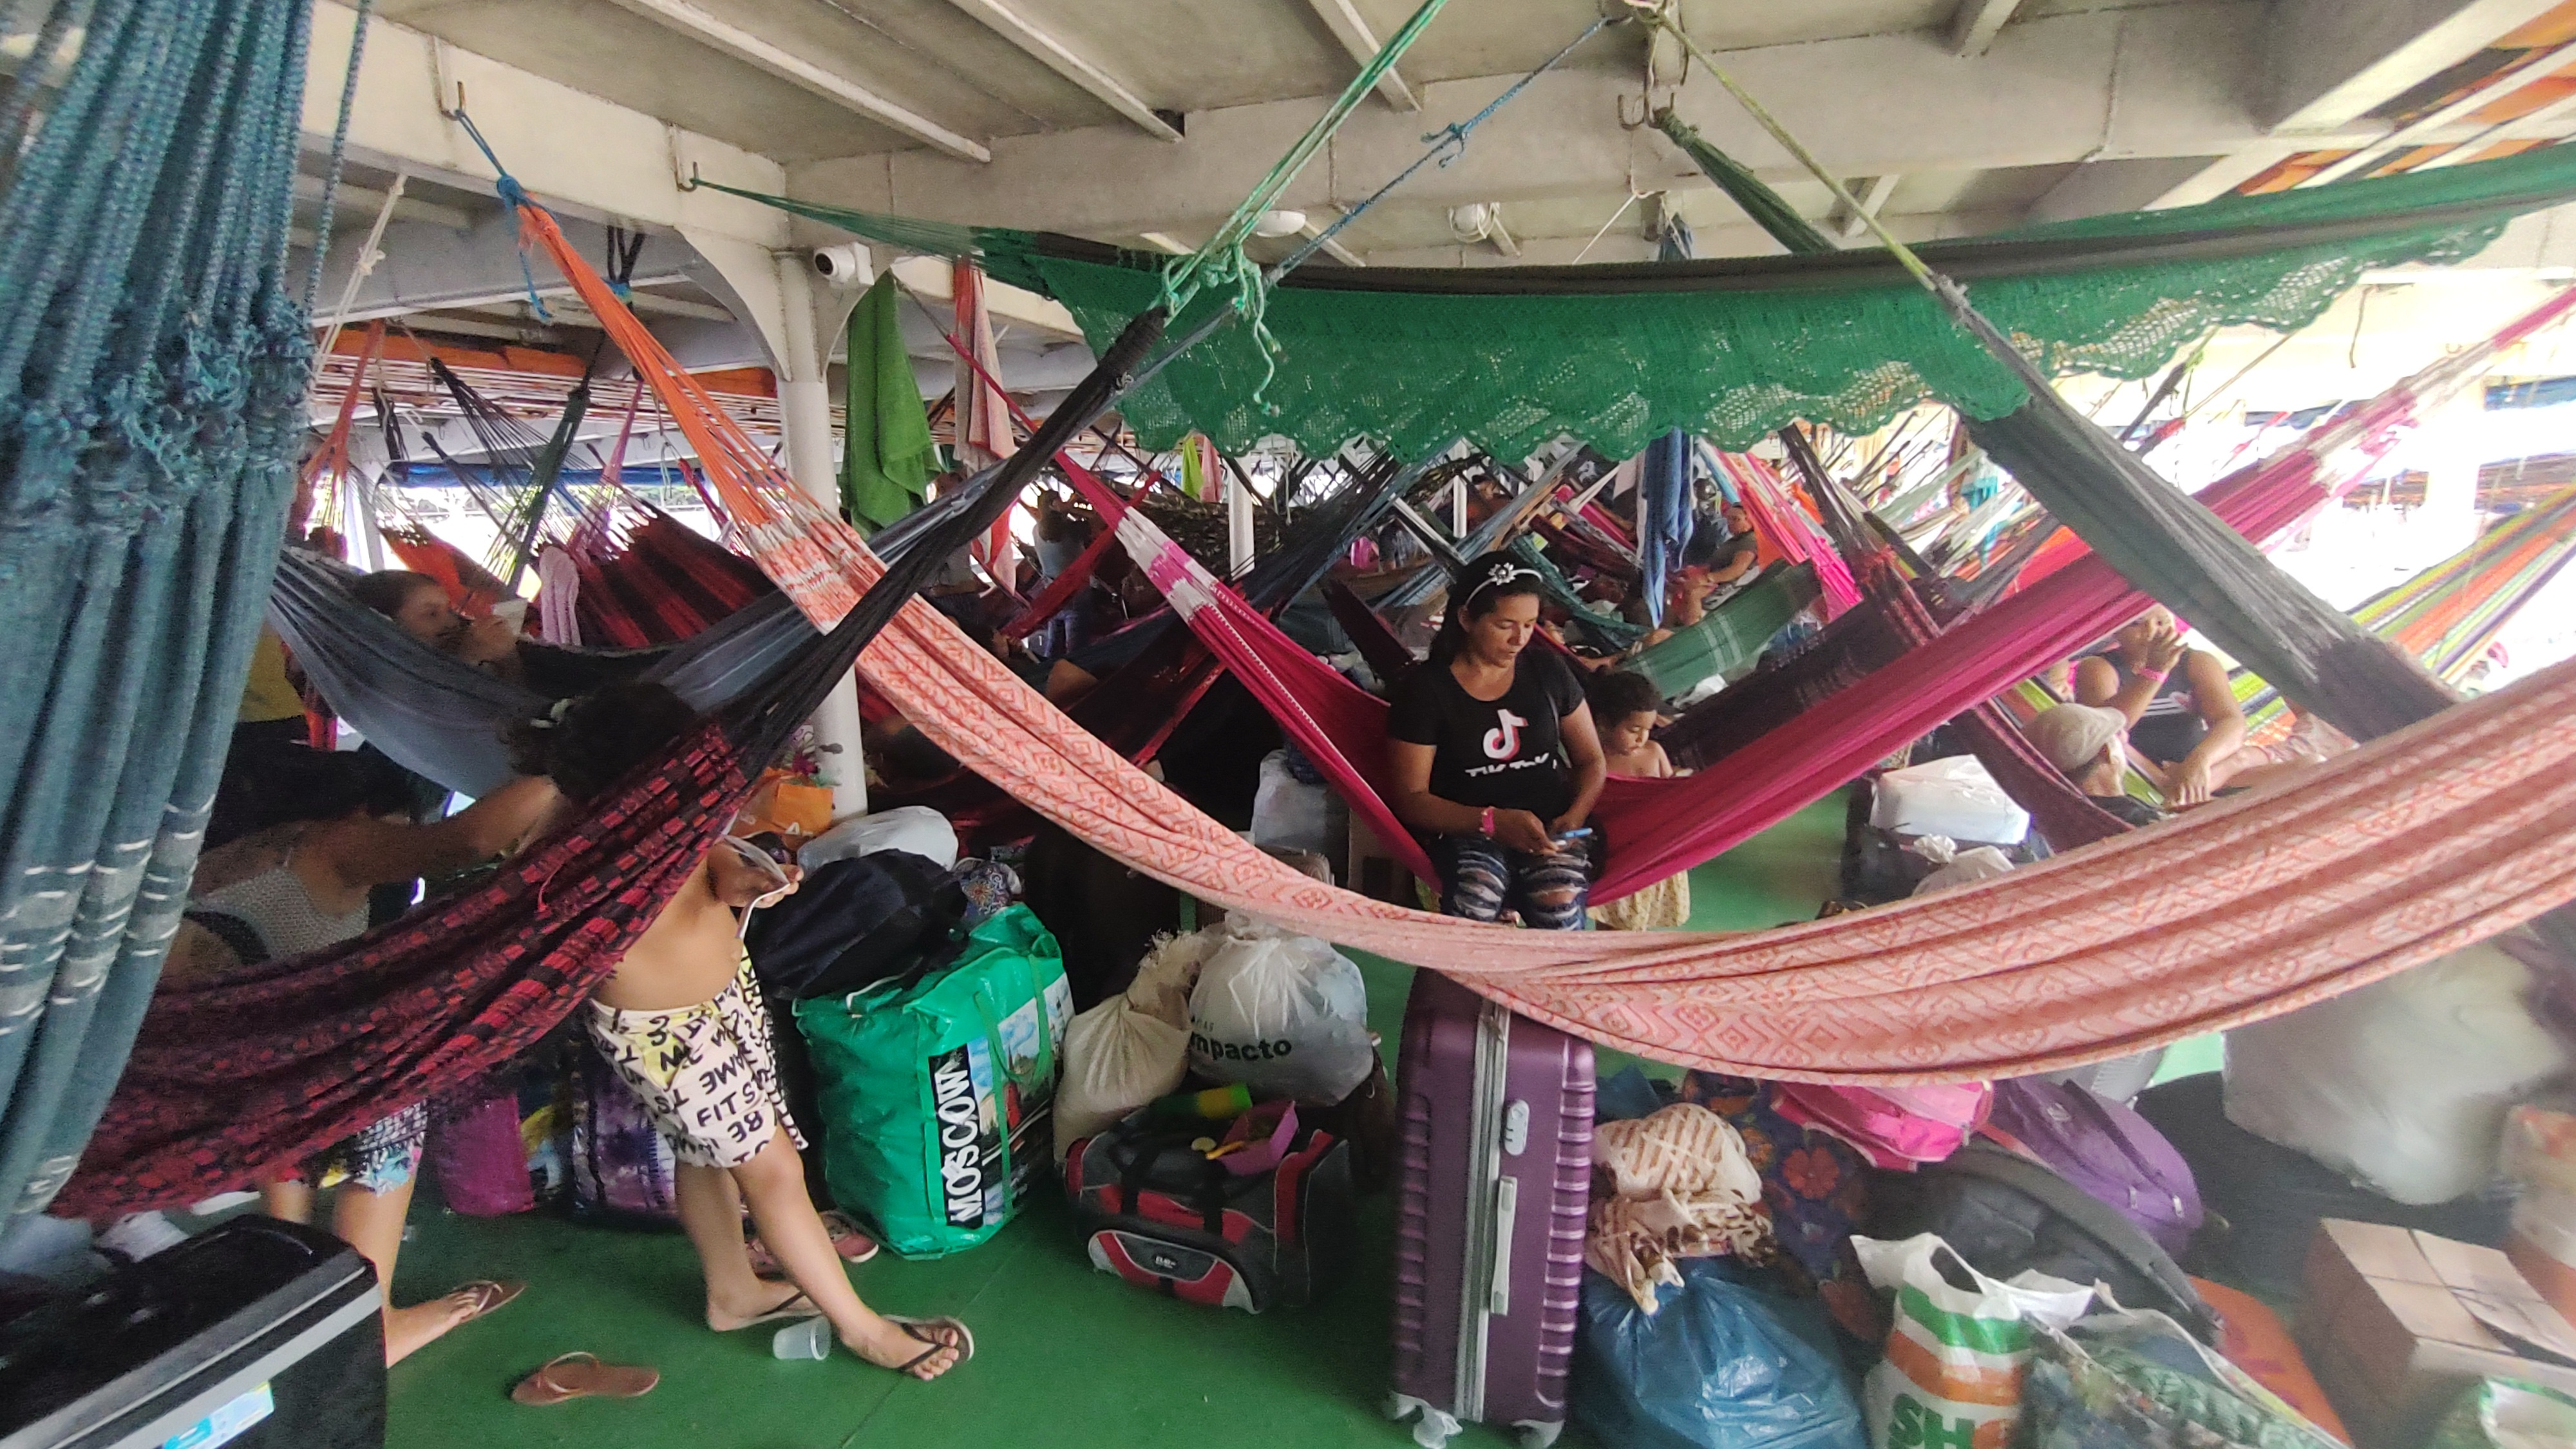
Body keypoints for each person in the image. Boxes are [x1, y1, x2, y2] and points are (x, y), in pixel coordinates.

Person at [508, 683, 972, 1381]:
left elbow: (708, 870)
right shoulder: (578, 862)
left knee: (707, 1154)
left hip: (724, 1002)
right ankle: (863, 1330)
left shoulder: (658, 823)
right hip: (665, 1036)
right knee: (776, 1172)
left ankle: (733, 1291)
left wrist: (743, 878)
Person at [160, 747, 560, 1362]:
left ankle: (290, 1274)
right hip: (212, 1059)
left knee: (300, 1079)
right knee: (395, 1086)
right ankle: (372, 1323)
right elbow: (472, 838)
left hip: (194, 1056)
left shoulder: (244, 855)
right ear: (365, 813)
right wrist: (567, 763)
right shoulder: (339, 843)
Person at [1387, 551, 1607, 930]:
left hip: (1550, 825)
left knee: (1559, 899)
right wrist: (1490, 822)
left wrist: (1574, 816)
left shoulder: (1548, 671)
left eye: (1530, 624)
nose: (1520, 638)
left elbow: (1591, 761)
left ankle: (1543, 990)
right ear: (1467, 618)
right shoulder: (1425, 691)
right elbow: (1411, 799)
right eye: (1505, 625)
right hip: (1464, 828)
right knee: (1477, 895)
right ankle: (1463, 987)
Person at [1584, 670, 1690, 931]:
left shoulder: (1654, 753)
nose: (1642, 738)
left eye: (1647, 729)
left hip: (1651, 853)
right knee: (1612, 926)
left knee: (1640, 924)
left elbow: (1671, 793)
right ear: (1603, 724)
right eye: (1633, 729)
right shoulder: (1592, 760)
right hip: (1615, 857)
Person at [352, 569, 525, 683]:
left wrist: (506, 652)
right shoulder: (393, 679)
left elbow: (519, 690)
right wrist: (468, 658)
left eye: (449, 610)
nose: (451, 622)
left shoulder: (454, 645)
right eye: (431, 614)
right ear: (390, 626)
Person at [2023, 703, 2170, 828]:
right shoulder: (2141, 822)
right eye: (2116, 734)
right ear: (2107, 752)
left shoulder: (2059, 814)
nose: (2125, 738)